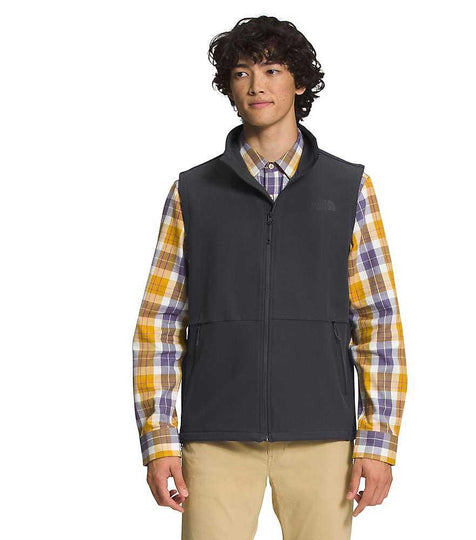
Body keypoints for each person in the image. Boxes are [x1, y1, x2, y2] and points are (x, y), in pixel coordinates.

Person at [132, 15, 408, 540]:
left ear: (299, 83)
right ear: (229, 87)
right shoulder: (192, 192)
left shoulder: (349, 187)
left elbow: (378, 319)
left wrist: (378, 443)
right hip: (215, 435)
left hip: (322, 437)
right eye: (242, 73)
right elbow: (160, 322)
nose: (257, 85)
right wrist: (159, 439)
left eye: (273, 70)